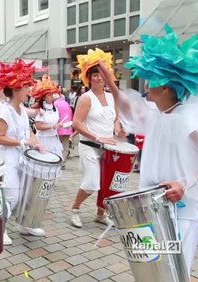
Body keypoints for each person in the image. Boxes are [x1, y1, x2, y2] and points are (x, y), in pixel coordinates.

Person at [108, 25, 198, 276]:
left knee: (174, 271)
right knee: (155, 268)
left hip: (183, 209)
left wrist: (184, 184)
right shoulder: (159, 113)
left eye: (151, 85)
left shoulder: (190, 119)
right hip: (154, 205)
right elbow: (130, 110)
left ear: (165, 87)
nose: (147, 92)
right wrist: (110, 80)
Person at [0, 59, 44, 245]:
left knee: (26, 194)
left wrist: (36, 141)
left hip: (23, 159)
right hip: (7, 160)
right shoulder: (4, 111)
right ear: (15, 88)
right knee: (12, 196)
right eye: (26, 87)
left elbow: (27, 130)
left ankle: (25, 224)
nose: (29, 90)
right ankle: (1, 229)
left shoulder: (21, 109)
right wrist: (23, 141)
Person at [70, 48, 121, 228]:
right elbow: (77, 123)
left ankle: (101, 213)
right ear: (88, 77)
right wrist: (99, 137)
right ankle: (75, 208)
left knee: (107, 183)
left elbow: (115, 118)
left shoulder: (111, 96)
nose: (98, 78)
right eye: (94, 75)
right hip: (89, 145)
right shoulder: (85, 98)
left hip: (109, 147)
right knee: (92, 183)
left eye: (101, 74)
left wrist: (117, 128)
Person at [32, 74, 64, 159]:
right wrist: (52, 126)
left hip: (53, 138)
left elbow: (56, 123)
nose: (52, 97)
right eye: (49, 95)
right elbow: (38, 126)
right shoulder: (41, 110)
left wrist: (59, 125)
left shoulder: (55, 109)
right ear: (43, 97)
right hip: (43, 139)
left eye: (52, 94)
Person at [54, 91, 74, 169]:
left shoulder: (55, 104)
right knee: (65, 146)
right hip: (68, 127)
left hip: (59, 127)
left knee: (58, 145)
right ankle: (63, 162)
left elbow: (55, 117)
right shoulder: (66, 103)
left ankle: (58, 160)